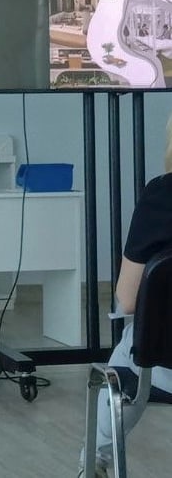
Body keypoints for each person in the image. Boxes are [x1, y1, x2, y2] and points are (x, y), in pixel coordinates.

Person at [77, 117, 172, 477]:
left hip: (164, 369)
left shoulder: (162, 195)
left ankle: (95, 461)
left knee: (133, 341)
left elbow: (129, 300)